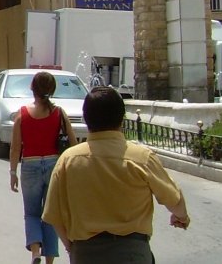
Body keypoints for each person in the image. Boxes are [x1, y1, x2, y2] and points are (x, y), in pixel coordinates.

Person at [43, 87, 189, 264]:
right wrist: (181, 217)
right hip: (132, 253)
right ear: (121, 118)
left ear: (86, 119)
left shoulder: (68, 160)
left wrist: (72, 248)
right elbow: (174, 200)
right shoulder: (141, 158)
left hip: (86, 253)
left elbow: (54, 215)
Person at [9, 72, 76, 264]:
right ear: (52, 89)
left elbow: (15, 148)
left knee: (31, 213)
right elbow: (73, 142)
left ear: (32, 88)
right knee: (51, 214)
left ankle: (35, 252)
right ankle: (49, 261)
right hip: (54, 164)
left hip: (30, 165)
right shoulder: (59, 113)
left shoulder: (22, 114)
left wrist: (13, 172)